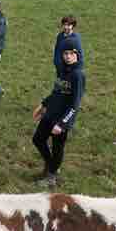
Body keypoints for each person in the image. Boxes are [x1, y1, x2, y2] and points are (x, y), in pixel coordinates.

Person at [32, 45, 85, 188]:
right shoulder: (62, 70)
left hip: (62, 119)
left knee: (57, 148)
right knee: (37, 139)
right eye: (65, 53)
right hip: (50, 114)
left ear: (77, 55)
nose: (67, 56)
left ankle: (51, 177)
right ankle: (52, 165)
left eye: (71, 54)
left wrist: (62, 124)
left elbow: (75, 104)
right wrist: (43, 105)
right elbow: (56, 92)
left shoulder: (78, 75)